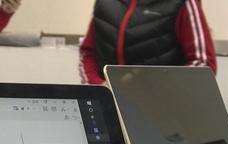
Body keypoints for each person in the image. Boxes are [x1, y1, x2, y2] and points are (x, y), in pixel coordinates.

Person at [79, 0, 217, 85]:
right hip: (109, 108)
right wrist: (98, 86)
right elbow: (88, 52)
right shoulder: (105, 3)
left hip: (163, 113)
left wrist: (151, 89)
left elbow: (204, 66)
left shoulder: (183, 3)